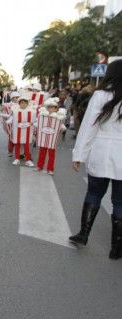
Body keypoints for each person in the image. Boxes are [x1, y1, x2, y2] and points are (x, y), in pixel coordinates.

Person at [70, 59, 122, 260]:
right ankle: (116, 250)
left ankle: (83, 234)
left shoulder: (100, 95)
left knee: (93, 193)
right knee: (119, 202)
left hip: (101, 152)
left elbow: (88, 127)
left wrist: (79, 154)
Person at [35, 98, 67, 175]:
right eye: (49, 107)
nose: (51, 109)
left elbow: (62, 126)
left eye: (53, 107)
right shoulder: (42, 116)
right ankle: (40, 166)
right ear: (47, 108)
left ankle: (50, 169)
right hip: (43, 138)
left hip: (52, 140)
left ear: (56, 109)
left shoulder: (58, 118)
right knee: (42, 153)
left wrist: (62, 128)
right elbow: (37, 123)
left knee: (51, 155)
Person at [6, 96, 35, 167]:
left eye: (25, 103)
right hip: (17, 131)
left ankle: (28, 160)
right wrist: (8, 121)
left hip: (27, 132)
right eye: (22, 103)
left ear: (27, 104)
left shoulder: (31, 112)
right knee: (17, 145)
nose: (23, 104)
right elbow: (11, 118)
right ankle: (17, 159)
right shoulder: (15, 111)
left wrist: (35, 124)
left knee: (26, 146)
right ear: (19, 103)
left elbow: (35, 121)